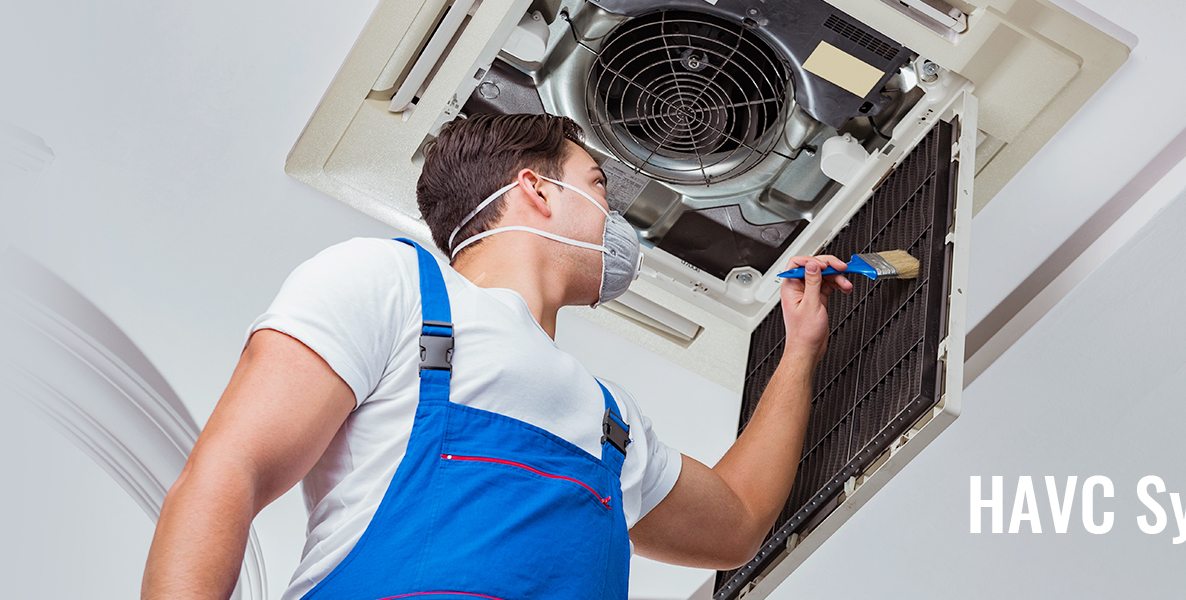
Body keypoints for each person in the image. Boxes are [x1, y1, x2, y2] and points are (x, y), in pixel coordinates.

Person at [140, 113, 852, 600]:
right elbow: (228, 472)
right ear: (535, 189)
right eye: (599, 187)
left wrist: (800, 350)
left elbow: (736, 522)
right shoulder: (390, 285)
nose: (617, 222)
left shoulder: (613, 422)